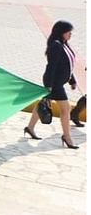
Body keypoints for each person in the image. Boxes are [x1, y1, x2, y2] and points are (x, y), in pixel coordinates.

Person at [25, 20, 80, 148]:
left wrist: (72, 80)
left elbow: (68, 65)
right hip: (54, 83)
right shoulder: (56, 45)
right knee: (66, 109)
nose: (70, 34)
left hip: (57, 82)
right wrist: (49, 86)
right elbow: (52, 67)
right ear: (61, 32)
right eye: (68, 32)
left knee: (43, 104)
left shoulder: (64, 44)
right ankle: (67, 137)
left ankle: (30, 128)